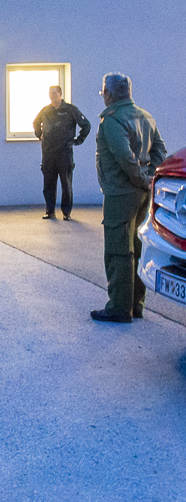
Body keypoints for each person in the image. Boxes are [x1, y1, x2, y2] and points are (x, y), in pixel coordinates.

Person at [90, 73, 166, 323]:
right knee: (137, 247)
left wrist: (141, 179)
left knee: (118, 251)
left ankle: (119, 308)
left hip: (120, 193)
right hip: (143, 194)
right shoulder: (145, 116)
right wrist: (150, 179)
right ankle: (135, 305)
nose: (103, 96)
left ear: (109, 94)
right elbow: (160, 150)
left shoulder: (112, 120)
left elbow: (124, 157)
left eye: (103, 92)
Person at [33, 86, 91, 220]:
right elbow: (36, 123)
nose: (52, 96)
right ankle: (50, 211)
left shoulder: (70, 110)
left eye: (54, 93)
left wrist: (78, 140)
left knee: (66, 184)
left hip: (64, 153)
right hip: (48, 153)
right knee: (48, 184)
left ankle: (66, 213)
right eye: (50, 93)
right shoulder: (46, 110)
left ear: (60, 94)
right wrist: (39, 134)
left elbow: (86, 125)